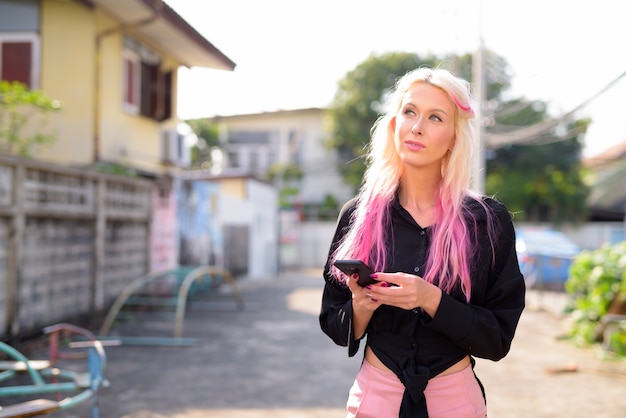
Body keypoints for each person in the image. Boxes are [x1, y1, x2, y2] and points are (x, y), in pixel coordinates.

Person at [319, 67, 525, 418]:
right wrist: (362, 305)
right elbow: (334, 324)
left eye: (435, 117)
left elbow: (496, 340)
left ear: (454, 136)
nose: (416, 127)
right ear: (394, 122)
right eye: (409, 112)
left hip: (455, 401)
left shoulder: (487, 222)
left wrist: (431, 299)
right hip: (376, 397)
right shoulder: (357, 216)